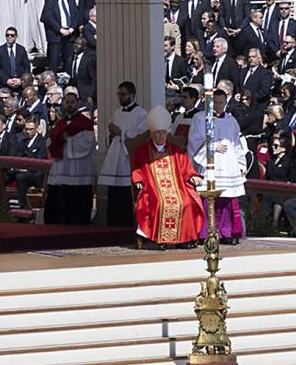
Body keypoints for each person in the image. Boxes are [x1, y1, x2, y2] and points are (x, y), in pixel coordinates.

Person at [129, 111, 207, 245]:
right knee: (161, 202)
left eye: (163, 133)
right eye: (157, 133)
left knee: (186, 203)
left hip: (177, 188)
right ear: (152, 134)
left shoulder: (176, 151)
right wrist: (138, 180)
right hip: (153, 188)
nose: (161, 136)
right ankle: (161, 239)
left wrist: (193, 176)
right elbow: (137, 169)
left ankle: (184, 239)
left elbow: (186, 169)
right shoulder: (142, 151)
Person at [188, 85, 248, 243]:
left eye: (221, 103)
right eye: (215, 102)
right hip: (209, 166)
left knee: (226, 201)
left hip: (228, 167)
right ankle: (205, 233)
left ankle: (226, 233)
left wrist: (241, 164)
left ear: (226, 103)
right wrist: (212, 146)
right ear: (210, 102)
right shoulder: (200, 118)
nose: (218, 106)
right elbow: (194, 141)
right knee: (208, 199)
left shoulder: (231, 120)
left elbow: (237, 144)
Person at [96, 82, 147, 228]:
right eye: (119, 94)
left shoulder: (141, 114)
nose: (120, 97)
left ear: (132, 95)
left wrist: (121, 132)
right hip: (115, 156)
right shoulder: (117, 112)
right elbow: (109, 134)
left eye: (123, 94)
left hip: (126, 158)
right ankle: (113, 225)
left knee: (125, 192)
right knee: (113, 192)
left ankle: (126, 226)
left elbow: (141, 137)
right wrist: (111, 135)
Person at [43, 91, 96, 225]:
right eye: (67, 102)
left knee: (77, 199)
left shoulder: (85, 123)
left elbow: (88, 143)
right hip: (62, 166)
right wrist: (57, 139)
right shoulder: (60, 123)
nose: (70, 105)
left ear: (78, 103)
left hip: (78, 169)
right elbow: (50, 141)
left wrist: (69, 140)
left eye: (72, 102)